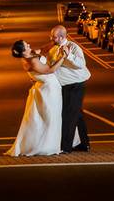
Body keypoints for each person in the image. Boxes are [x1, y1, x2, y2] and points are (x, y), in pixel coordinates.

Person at [4, 39, 73, 156]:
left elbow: (42, 49)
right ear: (23, 51)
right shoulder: (31, 61)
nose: (29, 44)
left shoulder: (30, 54)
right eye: (26, 45)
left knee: (52, 116)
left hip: (50, 87)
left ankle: (52, 143)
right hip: (49, 89)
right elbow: (49, 70)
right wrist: (63, 57)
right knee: (51, 117)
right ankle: (47, 146)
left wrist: (54, 41)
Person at [49, 24, 91, 153]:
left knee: (68, 116)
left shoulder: (73, 47)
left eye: (54, 37)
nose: (51, 38)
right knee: (77, 114)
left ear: (62, 37)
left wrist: (69, 56)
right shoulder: (54, 49)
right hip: (63, 86)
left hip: (75, 85)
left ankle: (65, 147)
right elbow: (51, 67)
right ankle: (84, 144)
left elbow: (81, 64)